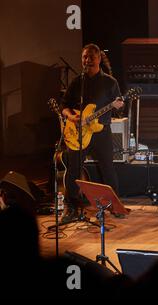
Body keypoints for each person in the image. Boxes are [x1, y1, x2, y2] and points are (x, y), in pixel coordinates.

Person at [61, 43, 124, 220]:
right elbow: (64, 106)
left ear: (98, 59)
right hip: (78, 132)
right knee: (74, 169)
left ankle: (115, 205)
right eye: (84, 57)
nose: (87, 60)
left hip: (101, 133)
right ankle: (71, 207)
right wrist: (71, 117)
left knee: (108, 169)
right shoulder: (77, 81)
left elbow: (119, 107)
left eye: (90, 57)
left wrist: (119, 105)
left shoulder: (110, 82)